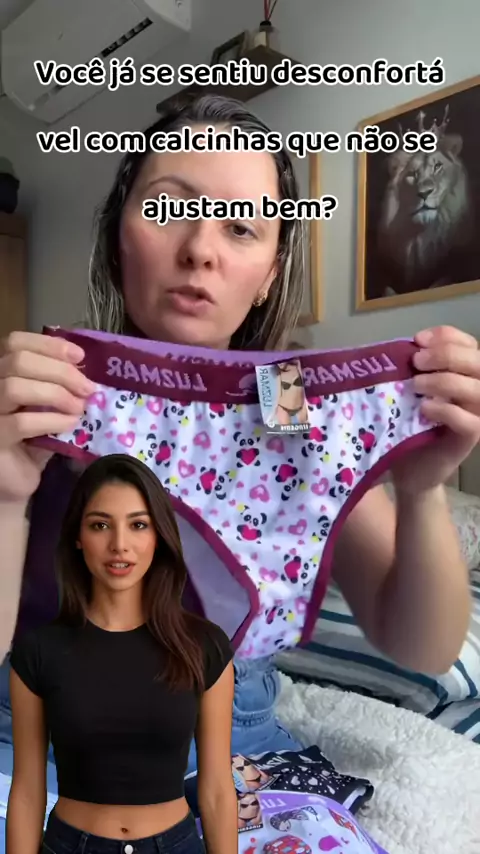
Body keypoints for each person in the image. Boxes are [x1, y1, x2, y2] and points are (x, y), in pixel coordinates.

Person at [0, 92, 479, 778]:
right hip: (37, 735)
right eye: (168, 210)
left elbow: (425, 650)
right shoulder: (45, 394)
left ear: (270, 274)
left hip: (233, 742)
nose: (200, 250)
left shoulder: (286, 401)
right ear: (115, 239)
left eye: (242, 227)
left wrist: (424, 489)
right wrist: (5, 498)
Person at [6, 453, 237, 854]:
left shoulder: (204, 646)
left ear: (158, 536)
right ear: (78, 537)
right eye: (100, 525)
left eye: (138, 525)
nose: (119, 545)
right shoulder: (38, 652)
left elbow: (217, 789)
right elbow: (27, 792)